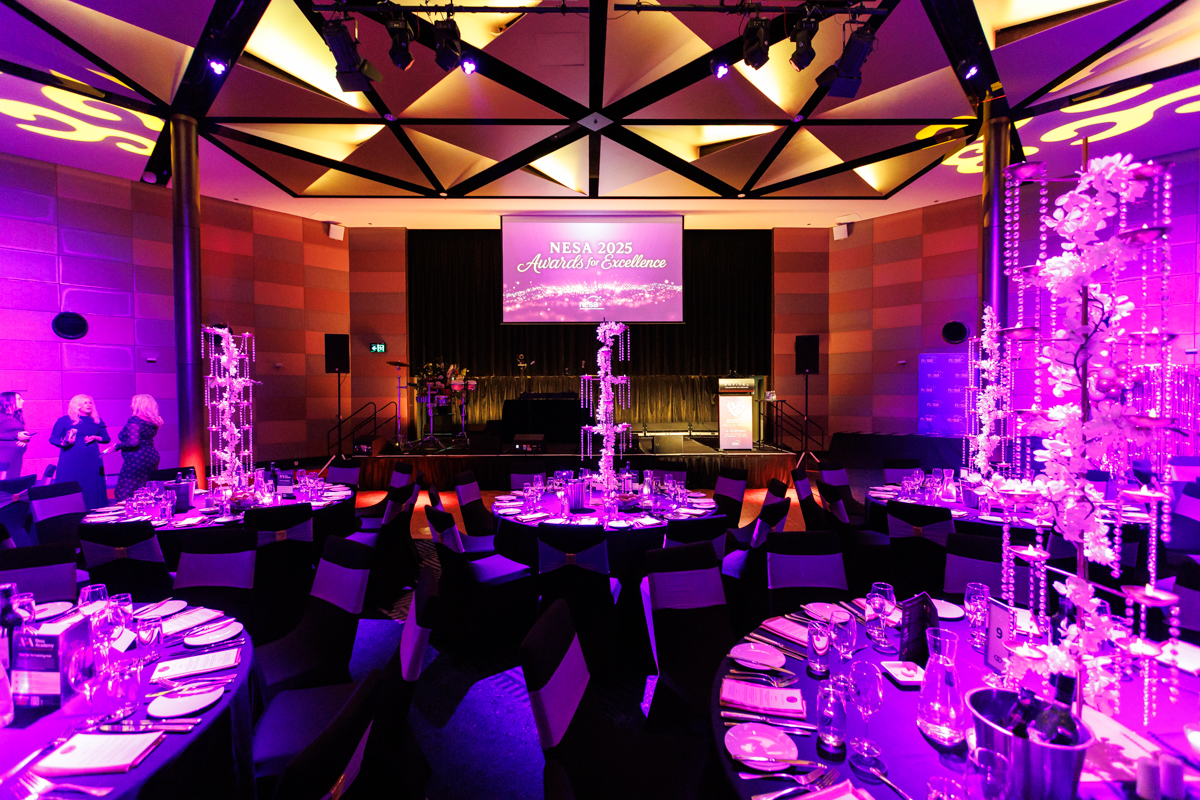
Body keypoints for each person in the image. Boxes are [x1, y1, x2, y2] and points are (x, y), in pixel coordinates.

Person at [50, 394, 109, 509]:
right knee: (71, 485)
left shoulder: (97, 420)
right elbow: (53, 438)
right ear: (77, 405)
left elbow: (106, 438)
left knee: (91, 485)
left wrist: (95, 437)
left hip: (92, 459)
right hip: (71, 459)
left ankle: (93, 511)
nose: (89, 405)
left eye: (90, 402)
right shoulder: (64, 420)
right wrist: (63, 443)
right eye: (85, 402)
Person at [112, 394, 162, 502]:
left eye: (132, 403)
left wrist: (117, 446)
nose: (130, 406)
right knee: (146, 490)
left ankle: (127, 512)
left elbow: (133, 442)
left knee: (124, 492)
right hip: (151, 457)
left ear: (139, 405)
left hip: (137, 460)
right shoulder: (152, 421)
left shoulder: (135, 421)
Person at [0, 392, 33, 479]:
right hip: (4, 456)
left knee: (13, 480)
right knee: (4, 481)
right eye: (19, 399)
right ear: (9, 401)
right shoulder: (1, 416)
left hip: (16, 455)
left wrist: (24, 439)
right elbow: (14, 434)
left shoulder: (17, 416)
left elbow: (21, 432)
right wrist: (16, 435)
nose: (23, 401)